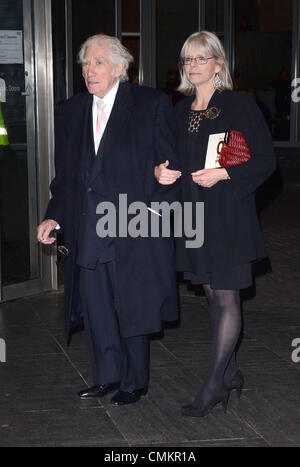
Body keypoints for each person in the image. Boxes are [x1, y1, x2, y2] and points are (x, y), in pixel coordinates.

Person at [37, 34, 180, 406]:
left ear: (119, 67)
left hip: (133, 224)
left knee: (133, 303)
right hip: (87, 225)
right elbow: (65, 175)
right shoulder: (72, 110)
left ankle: (135, 380)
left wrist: (163, 177)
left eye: (98, 62)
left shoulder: (151, 104)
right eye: (85, 63)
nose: (89, 70)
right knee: (96, 302)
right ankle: (107, 376)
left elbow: (169, 162)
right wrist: (53, 217)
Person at [155, 31, 276, 417]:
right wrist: (160, 171)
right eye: (187, 59)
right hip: (193, 217)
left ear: (218, 64)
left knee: (226, 298)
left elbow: (265, 161)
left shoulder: (239, 104)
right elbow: (167, 157)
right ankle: (232, 373)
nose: (193, 66)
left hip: (228, 217)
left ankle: (212, 385)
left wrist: (224, 173)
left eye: (201, 59)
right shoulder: (179, 110)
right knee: (211, 295)